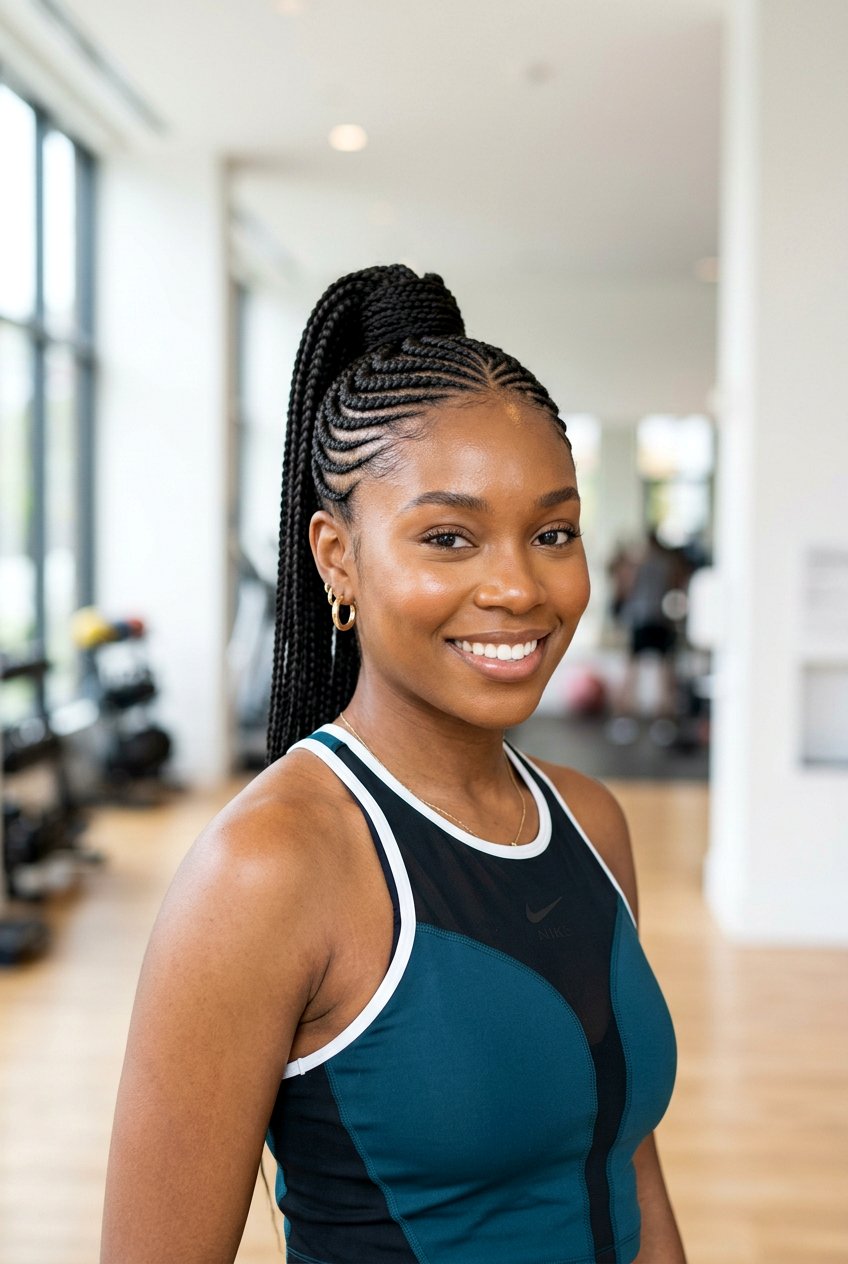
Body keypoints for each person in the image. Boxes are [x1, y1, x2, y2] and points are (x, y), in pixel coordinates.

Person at [100, 265, 687, 1263]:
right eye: (448, 537)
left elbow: (627, 1166)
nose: (517, 585)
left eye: (553, 531)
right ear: (337, 555)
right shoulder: (269, 868)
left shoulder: (590, 822)